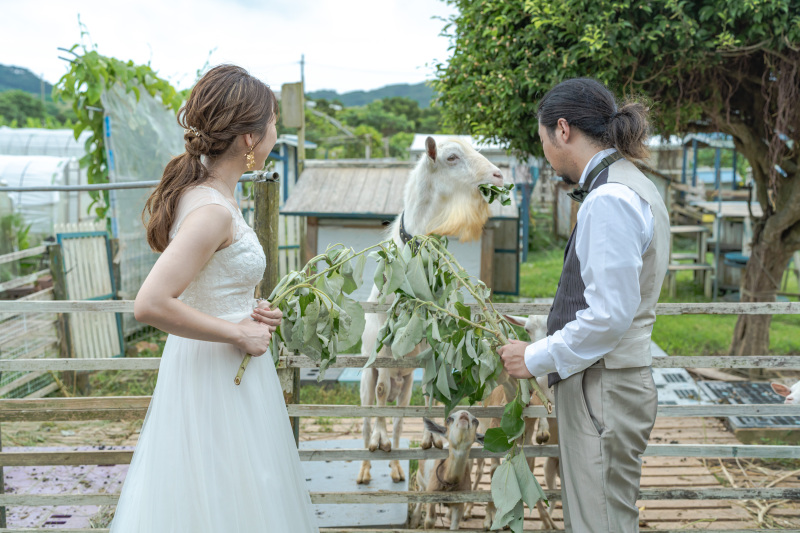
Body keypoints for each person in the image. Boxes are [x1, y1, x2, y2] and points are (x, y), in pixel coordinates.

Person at [110, 65, 319, 532]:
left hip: (225, 370)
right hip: (215, 376)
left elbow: (212, 283)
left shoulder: (211, 195)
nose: (275, 134)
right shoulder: (210, 211)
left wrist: (253, 312)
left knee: (230, 497)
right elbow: (151, 303)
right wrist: (237, 331)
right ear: (249, 138)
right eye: (272, 125)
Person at [498, 78, 669, 532]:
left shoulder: (610, 198)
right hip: (609, 383)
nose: (545, 155)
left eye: (542, 142)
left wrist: (533, 357)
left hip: (602, 387)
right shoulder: (632, 184)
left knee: (598, 522)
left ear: (562, 130)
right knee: (606, 514)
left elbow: (608, 315)